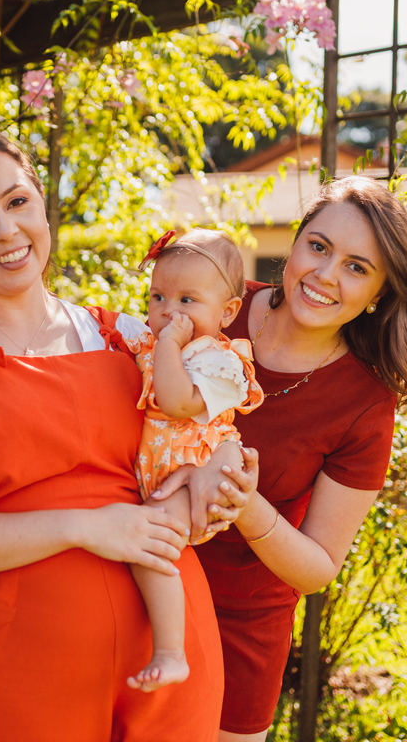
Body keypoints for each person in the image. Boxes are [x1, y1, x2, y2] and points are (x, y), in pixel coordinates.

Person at [0, 128, 257, 741]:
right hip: (15, 669)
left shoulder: (126, 337)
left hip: (166, 651)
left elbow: (212, 421)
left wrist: (222, 479)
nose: (6, 230)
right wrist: (86, 527)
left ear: (41, 203)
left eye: (17, 202)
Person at [154, 176, 407, 741]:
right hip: (134, 571)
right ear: (297, 241)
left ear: (379, 292)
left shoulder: (365, 402)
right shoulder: (214, 303)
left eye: (357, 267)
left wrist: (243, 503)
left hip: (241, 622)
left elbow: (317, 567)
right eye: (319, 247)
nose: (326, 275)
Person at [123, 228, 263, 692]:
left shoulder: (219, 360)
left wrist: (167, 345)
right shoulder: (151, 341)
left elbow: (178, 402)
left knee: (151, 545)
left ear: (227, 312)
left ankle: (170, 652)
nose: (169, 311)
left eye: (187, 301)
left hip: (198, 476)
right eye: (158, 296)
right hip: (159, 472)